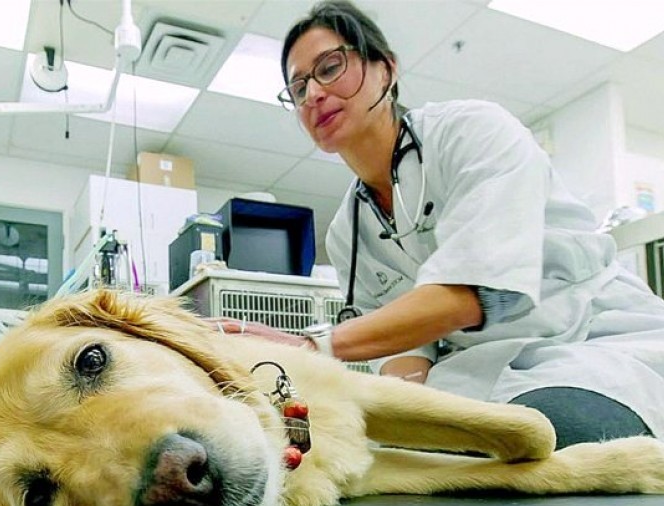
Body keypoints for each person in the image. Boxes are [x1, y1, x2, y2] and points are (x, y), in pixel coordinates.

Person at [213, 0, 664, 449]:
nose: (312, 94)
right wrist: (408, 411)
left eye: (330, 67)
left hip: (591, 342)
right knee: (394, 452)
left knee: (546, 438)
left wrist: (315, 345)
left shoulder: (471, 133)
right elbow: (403, 350)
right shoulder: (347, 230)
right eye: (298, 87)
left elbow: (475, 293)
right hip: (481, 368)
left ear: (385, 70)